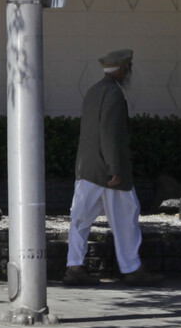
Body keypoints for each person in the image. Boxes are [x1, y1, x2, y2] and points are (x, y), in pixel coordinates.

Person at [64, 48, 164, 285]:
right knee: (127, 218)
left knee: (80, 219)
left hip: (87, 169)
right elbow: (111, 134)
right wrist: (115, 168)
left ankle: (74, 268)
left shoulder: (93, 91)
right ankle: (131, 269)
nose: (129, 72)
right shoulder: (115, 94)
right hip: (109, 172)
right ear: (122, 69)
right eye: (128, 68)